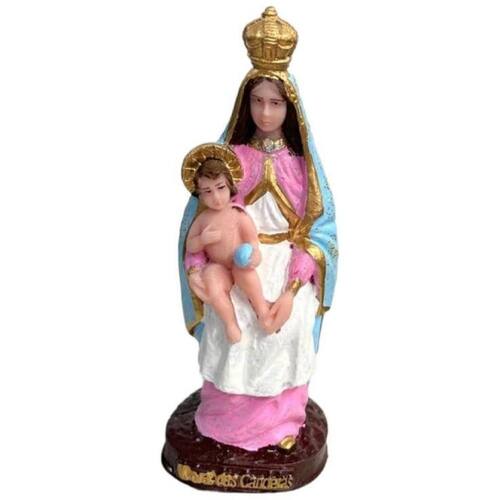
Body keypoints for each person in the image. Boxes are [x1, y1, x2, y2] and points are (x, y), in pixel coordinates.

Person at [178, 7, 338, 451]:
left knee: (290, 320)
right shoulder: (232, 160)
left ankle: (280, 420)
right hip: (232, 263)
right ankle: (226, 422)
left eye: (276, 102)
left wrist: (292, 287)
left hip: (283, 262)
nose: (265, 112)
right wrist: (195, 266)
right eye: (257, 101)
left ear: (291, 106)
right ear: (245, 104)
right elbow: (201, 219)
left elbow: (317, 233)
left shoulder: (301, 166)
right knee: (231, 317)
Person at [182, 143, 271, 344]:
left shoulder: (237, 214)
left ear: (230, 185)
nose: (216, 197)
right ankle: (230, 323)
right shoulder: (203, 220)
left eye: (220, 187)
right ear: (199, 194)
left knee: (245, 273)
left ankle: (262, 310)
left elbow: (252, 241)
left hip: (239, 262)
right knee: (212, 283)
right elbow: (190, 245)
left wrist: (254, 256)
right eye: (207, 191)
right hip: (219, 266)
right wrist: (202, 240)